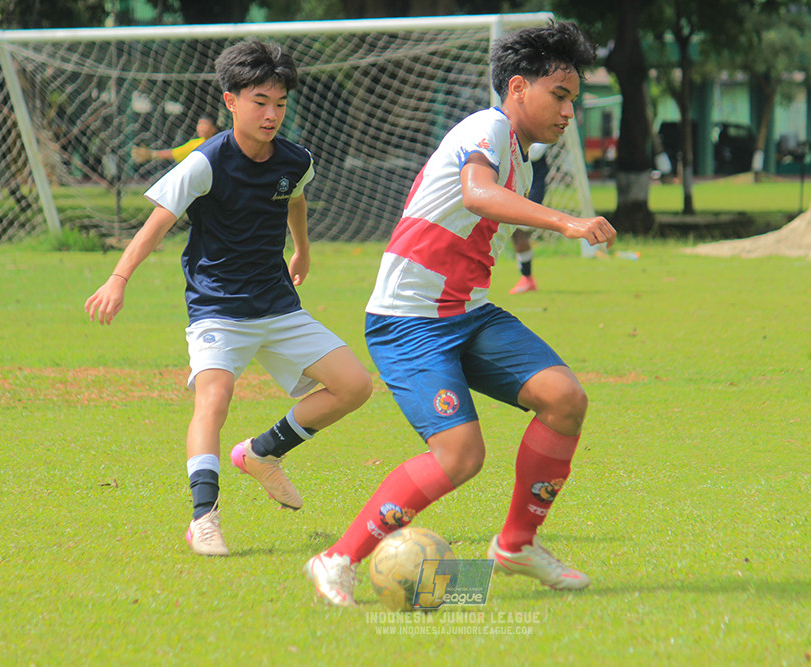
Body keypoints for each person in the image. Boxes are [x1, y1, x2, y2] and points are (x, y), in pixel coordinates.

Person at [304, 21, 616, 606]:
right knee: (461, 455)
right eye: (561, 94)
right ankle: (336, 559)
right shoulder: (487, 126)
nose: (570, 110)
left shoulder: (520, 156)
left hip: (467, 315)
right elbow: (476, 192)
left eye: (574, 98)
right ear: (519, 87)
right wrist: (567, 221)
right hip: (408, 322)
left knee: (565, 400)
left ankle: (516, 545)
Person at [85, 40, 373, 557]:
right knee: (213, 400)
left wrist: (302, 249)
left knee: (355, 386)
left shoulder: (294, 158)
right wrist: (119, 278)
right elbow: (157, 225)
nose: (271, 114)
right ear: (230, 101)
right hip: (217, 307)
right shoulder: (205, 161)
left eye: (280, 104)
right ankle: (204, 518)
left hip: (279, 305)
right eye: (260, 101)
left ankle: (263, 453)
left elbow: (296, 197)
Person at [508, 141, 549, 294]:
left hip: (532, 187)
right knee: (515, 230)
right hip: (516, 185)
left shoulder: (538, 135)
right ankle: (526, 278)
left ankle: (527, 277)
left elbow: (536, 152)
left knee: (519, 228)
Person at [132, 114, 219, 164]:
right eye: (199, 124)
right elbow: (175, 153)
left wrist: (152, 154)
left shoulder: (219, 142)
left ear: (214, 128)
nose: (201, 128)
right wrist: (152, 154)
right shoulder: (195, 143)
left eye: (205, 124)